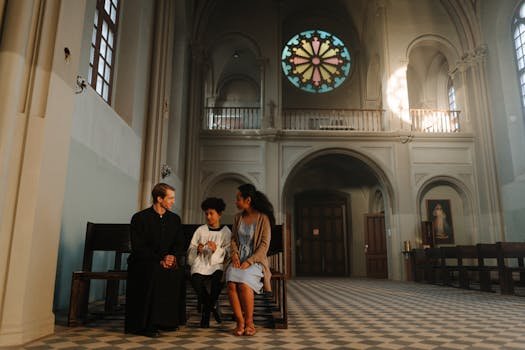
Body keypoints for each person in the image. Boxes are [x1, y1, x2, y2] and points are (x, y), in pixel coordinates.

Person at [125, 183, 186, 338]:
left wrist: (172, 256)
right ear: (159, 198)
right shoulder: (139, 218)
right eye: (170, 198)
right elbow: (138, 247)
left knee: (176, 273)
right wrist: (159, 259)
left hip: (167, 260)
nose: (173, 201)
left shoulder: (174, 219)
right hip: (143, 261)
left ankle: (167, 321)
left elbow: (179, 243)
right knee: (153, 271)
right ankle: (146, 324)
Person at [226, 183, 275, 336]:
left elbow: (264, 245)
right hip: (238, 259)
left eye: (238, 199)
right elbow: (233, 239)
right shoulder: (237, 217)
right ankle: (240, 322)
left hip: (256, 261)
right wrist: (234, 254)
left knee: (244, 283)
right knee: (231, 281)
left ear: (248, 200)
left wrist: (250, 261)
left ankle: (249, 322)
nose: (235, 202)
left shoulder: (263, 218)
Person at [187, 197, 232, 328]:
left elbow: (228, 253)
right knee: (195, 279)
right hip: (201, 263)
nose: (208, 216)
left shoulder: (225, 232)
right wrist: (197, 249)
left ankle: (205, 315)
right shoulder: (201, 230)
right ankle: (212, 307)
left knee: (218, 279)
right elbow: (191, 248)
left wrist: (216, 249)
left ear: (219, 214)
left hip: (217, 264)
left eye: (211, 213)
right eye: (206, 213)